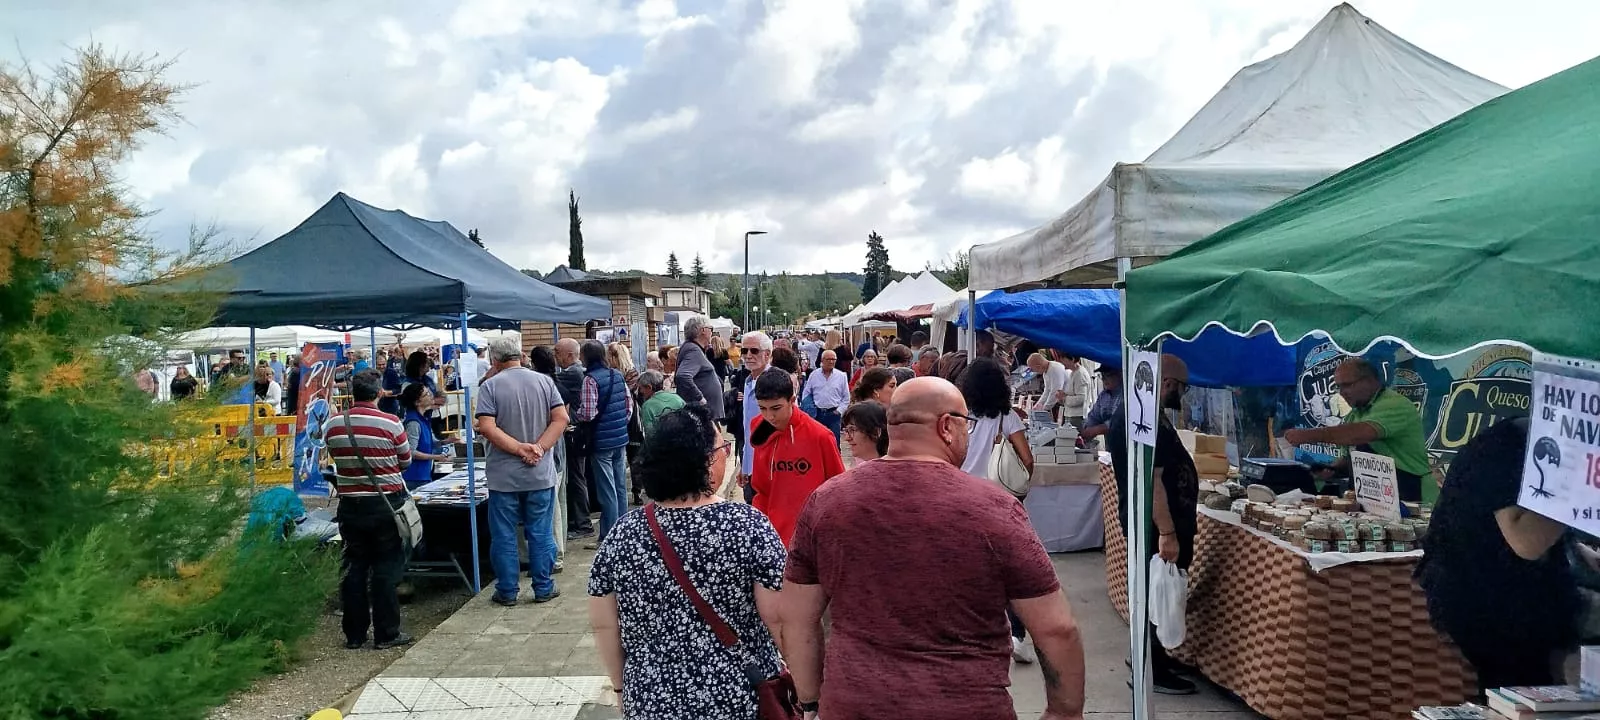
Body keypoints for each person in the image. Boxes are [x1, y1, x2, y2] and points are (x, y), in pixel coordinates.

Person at [782, 378, 1087, 720]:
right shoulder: (995, 508)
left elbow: (796, 618)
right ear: (947, 427)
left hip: (856, 704)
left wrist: (810, 702)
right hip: (966, 706)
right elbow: (1056, 627)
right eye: (966, 425)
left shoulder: (827, 501)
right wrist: (1065, 712)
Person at [587, 405, 786, 719]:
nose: (726, 454)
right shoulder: (747, 526)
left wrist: (621, 688)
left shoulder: (622, 534)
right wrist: (807, 689)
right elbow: (780, 620)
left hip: (652, 700)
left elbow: (603, 622)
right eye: (723, 447)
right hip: (737, 698)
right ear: (706, 460)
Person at [1417, 416, 1587, 691]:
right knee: (1522, 690)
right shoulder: (1507, 449)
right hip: (1489, 602)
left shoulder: (1527, 442)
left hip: (1515, 594)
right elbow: (1526, 541)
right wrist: (1585, 487)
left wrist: (1579, 553)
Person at [1106, 354, 1199, 695]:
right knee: (1156, 593)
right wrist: (1168, 532)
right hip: (1156, 524)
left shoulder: (1143, 411)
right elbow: (1152, 481)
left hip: (1156, 522)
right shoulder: (1139, 415)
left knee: (1155, 590)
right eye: (1181, 388)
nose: (1182, 395)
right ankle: (1153, 667)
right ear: (1167, 383)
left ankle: (1151, 656)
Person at [323, 370, 415, 650]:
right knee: (386, 568)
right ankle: (387, 633)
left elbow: (334, 455)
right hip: (385, 503)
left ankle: (354, 633)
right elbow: (406, 461)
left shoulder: (334, 424)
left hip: (351, 505)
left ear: (353, 393)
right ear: (378, 393)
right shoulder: (391, 423)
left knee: (353, 568)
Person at [474, 337, 570, 606]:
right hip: (539, 473)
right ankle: (543, 586)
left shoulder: (490, 387)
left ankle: (507, 590)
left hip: (503, 476)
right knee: (540, 532)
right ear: (521, 355)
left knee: (504, 534)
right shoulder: (544, 381)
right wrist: (539, 448)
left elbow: (487, 428)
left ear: (494, 360)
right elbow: (561, 418)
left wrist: (519, 449)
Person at [959, 357, 1038, 661]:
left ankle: (972, 630)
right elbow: (1027, 460)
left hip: (961, 497)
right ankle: (1015, 635)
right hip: (996, 500)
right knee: (1008, 570)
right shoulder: (1007, 417)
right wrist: (1017, 486)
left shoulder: (958, 415)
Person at [1283, 357, 1434, 501]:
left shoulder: (1395, 404)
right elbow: (1351, 457)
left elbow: (1360, 434)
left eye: (1347, 385)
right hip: (1376, 500)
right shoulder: (1354, 414)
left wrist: (1307, 435)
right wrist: (1330, 471)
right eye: (1338, 386)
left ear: (1369, 381)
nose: (1342, 392)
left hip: (1413, 497)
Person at [749, 372, 846, 546]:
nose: (769, 416)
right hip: (771, 536)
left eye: (776, 408)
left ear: (792, 400)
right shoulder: (759, 429)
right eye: (762, 408)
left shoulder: (820, 436)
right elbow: (761, 489)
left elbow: (838, 488)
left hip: (810, 538)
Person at [576, 339, 634, 541]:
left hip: (601, 441)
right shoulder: (617, 375)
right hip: (620, 438)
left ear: (587, 357)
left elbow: (589, 413)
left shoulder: (590, 380)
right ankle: (624, 529)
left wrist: (578, 416)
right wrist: (619, 425)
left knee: (606, 489)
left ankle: (609, 533)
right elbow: (629, 406)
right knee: (619, 486)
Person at [737, 331, 789, 504]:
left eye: (754, 351)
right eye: (744, 351)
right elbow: (747, 430)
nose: (748, 356)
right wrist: (744, 466)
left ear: (767, 354)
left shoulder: (777, 381)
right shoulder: (748, 381)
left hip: (771, 466)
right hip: (752, 465)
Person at [555, 338, 595, 539]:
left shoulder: (571, 373)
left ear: (570, 355)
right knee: (579, 477)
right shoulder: (581, 373)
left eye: (558, 353)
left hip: (574, 433)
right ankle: (580, 521)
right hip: (581, 433)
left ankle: (582, 523)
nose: (556, 357)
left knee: (577, 478)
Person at [674, 315, 726, 424]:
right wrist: (700, 398)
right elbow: (683, 376)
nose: (712, 332)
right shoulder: (693, 349)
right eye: (711, 329)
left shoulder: (693, 348)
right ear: (703, 330)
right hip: (703, 415)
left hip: (704, 414)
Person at [399, 383, 451, 489]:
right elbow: (411, 451)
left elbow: (427, 443)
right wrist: (436, 457)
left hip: (423, 475)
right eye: (426, 394)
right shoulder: (414, 422)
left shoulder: (423, 418)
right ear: (418, 402)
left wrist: (445, 441)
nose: (430, 395)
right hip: (414, 478)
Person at [800, 349, 850, 444]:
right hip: (817, 414)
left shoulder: (841, 376)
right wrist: (809, 409)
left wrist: (839, 411)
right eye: (828, 359)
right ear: (822, 360)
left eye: (833, 359)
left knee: (834, 443)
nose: (831, 361)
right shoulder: (814, 375)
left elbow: (846, 398)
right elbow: (806, 393)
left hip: (833, 415)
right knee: (817, 442)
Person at [636, 369, 685, 441]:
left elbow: (650, 434)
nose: (640, 391)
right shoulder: (677, 398)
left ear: (649, 387)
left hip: (663, 445)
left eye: (641, 388)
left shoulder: (647, 406)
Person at [1080, 367, 1122, 444]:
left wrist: (1097, 429)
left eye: (1107, 375)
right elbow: (1094, 416)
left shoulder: (1125, 395)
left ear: (1119, 375)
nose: (1104, 379)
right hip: (1110, 443)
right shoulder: (1103, 396)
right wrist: (1086, 429)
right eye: (1102, 376)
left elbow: (1120, 421)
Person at [1027, 352, 1072, 421]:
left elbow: (1055, 392)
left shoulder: (1055, 369)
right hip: (1065, 400)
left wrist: (1044, 408)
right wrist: (1037, 405)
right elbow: (1047, 391)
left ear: (1038, 366)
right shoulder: (1046, 371)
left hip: (1072, 400)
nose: (1032, 371)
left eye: (1032, 369)